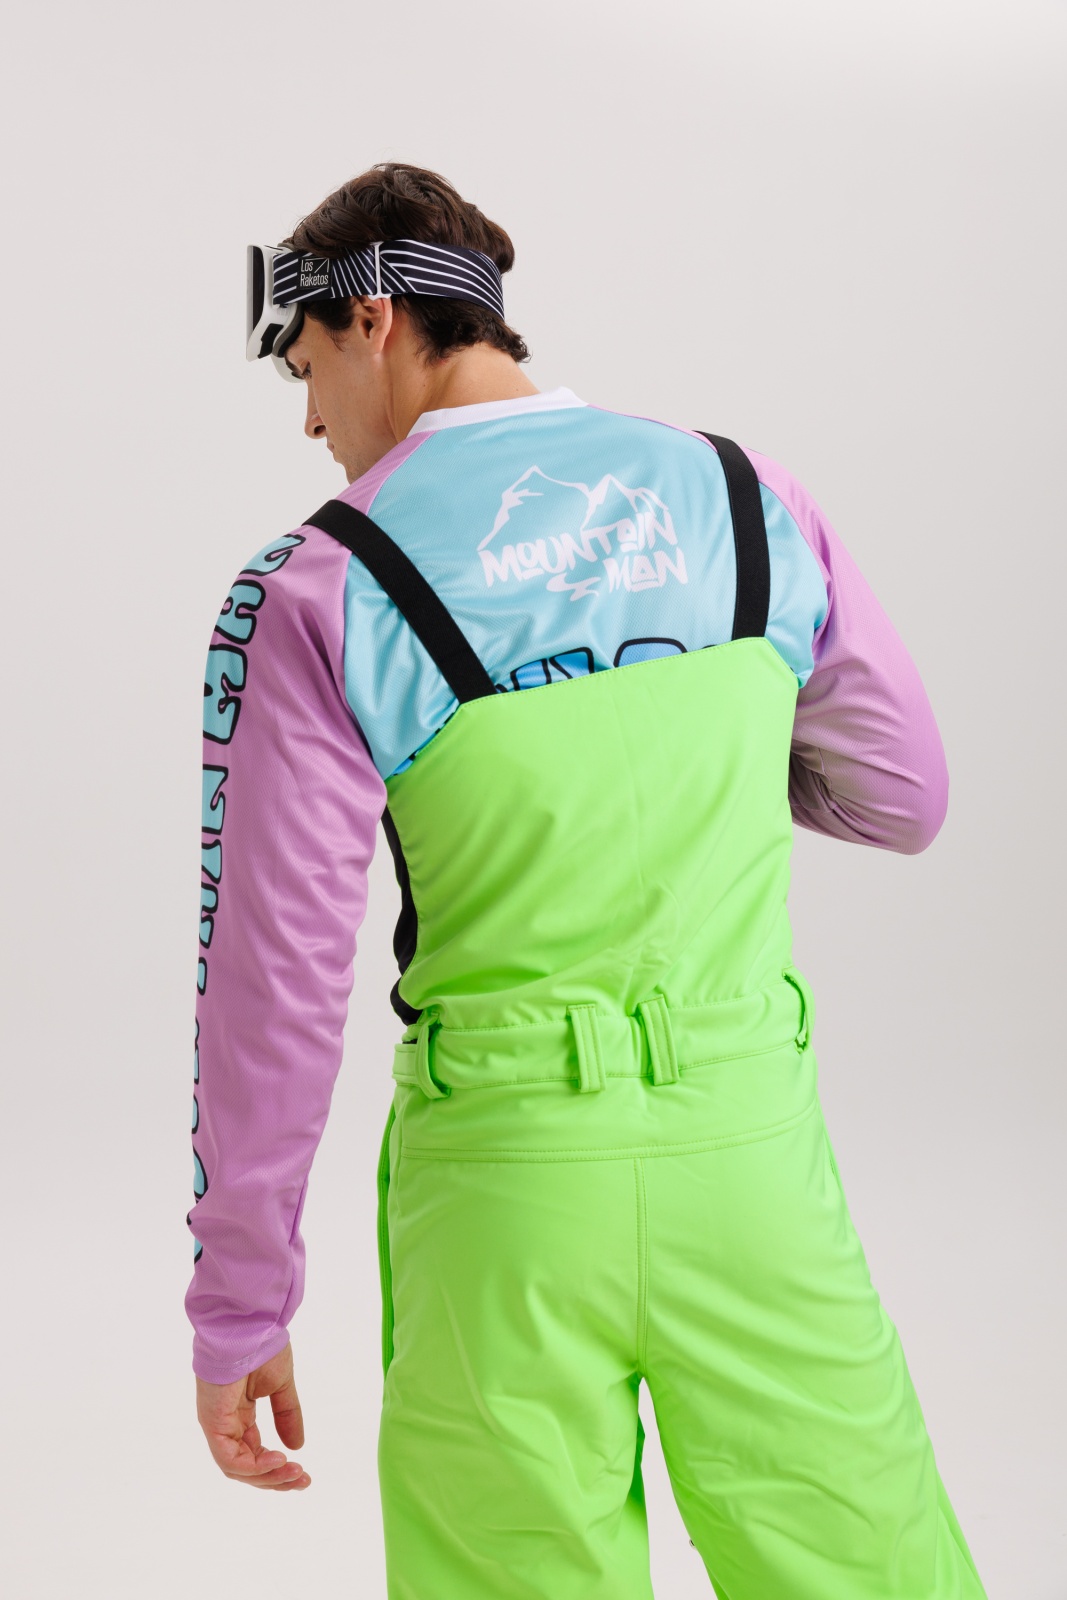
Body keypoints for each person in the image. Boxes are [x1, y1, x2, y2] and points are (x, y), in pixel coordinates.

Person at [187, 161, 988, 1599]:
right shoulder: (746, 494)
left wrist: (241, 1301)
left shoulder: (317, 582)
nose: (311, 423)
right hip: (750, 1159)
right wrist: (709, 755)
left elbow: (273, 987)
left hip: (505, 1190)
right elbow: (902, 796)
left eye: (304, 372)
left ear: (372, 320)